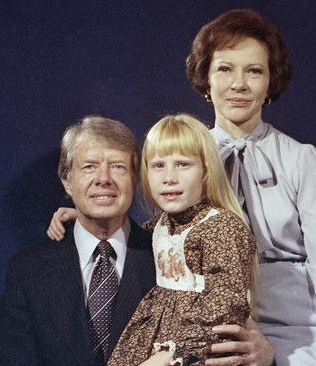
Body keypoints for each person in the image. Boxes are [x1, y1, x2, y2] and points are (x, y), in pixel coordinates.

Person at [49, 8, 316, 366]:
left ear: (270, 82)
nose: (239, 84)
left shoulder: (301, 158)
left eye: (254, 71)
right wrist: (87, 218)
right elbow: (161, 235)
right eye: (225, 69)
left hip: (302, 327)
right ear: (206, 79)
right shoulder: (186, 152)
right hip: (212, 323)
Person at [0, 116, 157, 365]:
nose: (103, 178)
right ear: (67, 180)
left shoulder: (164, 258)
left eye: (117, 166)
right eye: (89, 167)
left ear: (135, 178)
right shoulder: (27, 272)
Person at [107, 114, 256, 365]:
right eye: (158, 165)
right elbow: (126, 234)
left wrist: (171, 355)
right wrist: (83, 216)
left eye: (183, 164)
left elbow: (225, 305)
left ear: (206, 170)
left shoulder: (221, 227)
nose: (169, 177)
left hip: (199, 350)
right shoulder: (160, 225)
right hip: (154, 344)